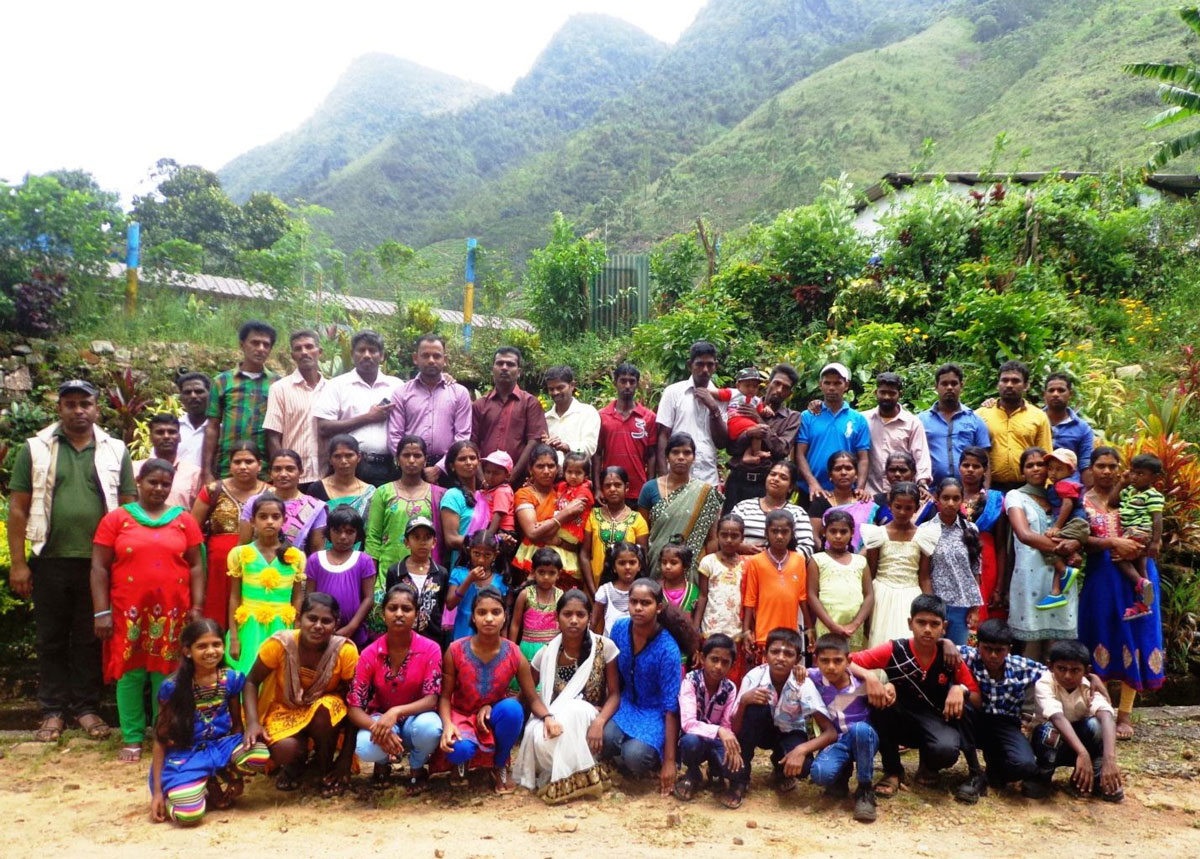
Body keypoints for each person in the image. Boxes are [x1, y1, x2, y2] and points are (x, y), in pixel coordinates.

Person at [7, 378, 135, 743]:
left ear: (97, 408)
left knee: (90, 637)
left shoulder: (116, 450)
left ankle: (86, 708)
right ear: (59, 408)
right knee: (50, 638)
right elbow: (17, 508)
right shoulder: (35, 449)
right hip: (49, 559)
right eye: (71, 404)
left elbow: (127, 507)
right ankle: (51, 711)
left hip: (99, 565)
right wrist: (19, 564)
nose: (79, 410)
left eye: (85, 403)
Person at [91, 458, 205, 761]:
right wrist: (100, 612)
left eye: (165, 484)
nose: (159, 488)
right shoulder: (116, 519)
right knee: (129, 674)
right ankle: (131, 737)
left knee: (166, 674)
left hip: (173, 611)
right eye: (152, 482)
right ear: (139, 482)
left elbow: (196, 565)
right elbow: (99, 567)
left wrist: (197, 606)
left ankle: (163, 733)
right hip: (128, 611)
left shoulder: (184, 520)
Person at [851, 594, 984, 803]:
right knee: (878, 701)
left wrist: (960, 689)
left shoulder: (949, 656)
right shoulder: (894, 650)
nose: (928, 629)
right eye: (921, 622)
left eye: (935, 624)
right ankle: (893, 771)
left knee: (946, 751)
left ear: (944, 627)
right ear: (910, 623)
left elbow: (976, 698)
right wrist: (870, 677)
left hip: (934, 720)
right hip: (899, 717)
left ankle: (929, 765)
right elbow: (848, 661)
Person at [1078, 446, 1165, 740]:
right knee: (1100, 634)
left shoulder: (1134, 494)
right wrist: (1114, 543)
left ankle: (1125, 714)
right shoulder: (1081, 501)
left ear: (1120, 469)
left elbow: (1154, 528)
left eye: (1112, 466)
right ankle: (1099, 709)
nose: (1106, 471)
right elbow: (1080, 540)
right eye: (1100, 465)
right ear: (1091, 468)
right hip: (1102, 574)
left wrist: (1141, 545)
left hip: (1138, 574)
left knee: (1137, 635)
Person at [148, 619, 269, 825]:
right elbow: (160, 740)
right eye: (202, 646)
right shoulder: (172, 687)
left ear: (224, 646)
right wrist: (157, 793)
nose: (211, 651)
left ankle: (213, 780)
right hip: (186, 753)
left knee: (259, 753)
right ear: (187, 651)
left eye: (216, 644)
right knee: (189, 816)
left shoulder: (231, 679)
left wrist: (235, 777)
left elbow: (237, 726)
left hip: (220, 747)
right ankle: (178, 795)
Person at [242, 593, 360, 796]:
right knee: (285, 750)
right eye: (312, 618)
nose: (318, 626)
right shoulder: (280, 644)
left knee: (326, 709)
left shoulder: (344, 651)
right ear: (299, 618)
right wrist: (253, 722)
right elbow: (251, 681)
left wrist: (346, 757)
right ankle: (297, 762)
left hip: (323, 716)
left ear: (336, 624)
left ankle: (323, 765)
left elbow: (356, 700)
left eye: (326, 621)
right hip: (286, 709)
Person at [439, 586, 551, 793]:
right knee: (459, 750)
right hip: (461, 714)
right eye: (482, 613)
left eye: (495, 612)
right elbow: (444, 697)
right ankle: (460, 763)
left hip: (493, 715)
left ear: (504, 617)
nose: (489, 618)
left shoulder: (514, 653)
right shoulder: (455, 650)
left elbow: (531, 697)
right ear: (473, 618)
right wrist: (447, 725)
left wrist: (548, 717)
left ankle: (500, 764)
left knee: (513, 710)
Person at [514, 589, 621, 804]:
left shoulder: (604, 647)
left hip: (590, 721)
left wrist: (600, 722)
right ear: (557, 618)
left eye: (580, 615)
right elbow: (528, 693)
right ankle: (581, 773)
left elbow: (615, 694)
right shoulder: (546, 653)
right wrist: (541, 718)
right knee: (541, 739)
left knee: (575, 707)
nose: (574, 621)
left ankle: (566, 783)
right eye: (567, 614)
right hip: (553, 721)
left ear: (589, 618)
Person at [602, 578, 695, 796]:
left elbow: (671, 707)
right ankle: (623, 754)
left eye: (645, 603)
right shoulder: (619, 628)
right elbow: (613, 676)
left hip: (655, 712)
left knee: (635, 756)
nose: (638, 608)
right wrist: (603, 712)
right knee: (604, 739)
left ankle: (651, 759)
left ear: (659, 607)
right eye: (633, 602)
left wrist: (670, 762)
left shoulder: (667, 649)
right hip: (626, 703)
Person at [347, 583, 444, 793]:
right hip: (380, 718)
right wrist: (380, 729)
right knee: (364, 746)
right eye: (393, 608)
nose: (399, 614)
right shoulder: (369, 653)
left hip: (416, 719)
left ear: (416, 614)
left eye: (406, 609)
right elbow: (354, 707)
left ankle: (417, 767)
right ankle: (382, 763)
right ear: (383, 614)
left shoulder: (431, 649)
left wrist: (396, 711)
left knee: (431, 729)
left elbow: (431, 699)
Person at [726, 627, 835, 809]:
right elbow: (736, 729)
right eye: (775, 651)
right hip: (761, 730)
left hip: (789, 732)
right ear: (765, 654)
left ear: (797, 659)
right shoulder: (754, 678)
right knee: (754, 708)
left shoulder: (802, 683)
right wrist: (744, 702)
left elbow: (830, 732)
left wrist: (801, 750)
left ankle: (781, 768)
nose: (781, 658)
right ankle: (740, 780)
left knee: (805, 767)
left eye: (788, 654)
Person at [1004, 447, 1082, 660]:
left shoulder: (1060, 494)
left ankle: (1055, 692)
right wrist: (1063, 547)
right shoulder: (1015, 496)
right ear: (1022, 472)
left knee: (1059, 649)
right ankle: (1030, 693)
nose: (1037, 469)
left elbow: (1081, 526)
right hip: (1030, 578)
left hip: (1063, 578)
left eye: (1041, 464)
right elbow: (1025, 534)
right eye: (1030, 465)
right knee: (1031, 646)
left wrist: (1076, 544)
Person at [957, 619, 1045, 797]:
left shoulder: (1021, 666)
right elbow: (938, 648)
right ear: (977, 645)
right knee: (963, 706)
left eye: (999, 650)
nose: (993, 655)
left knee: (1024, 765)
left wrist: (1091, 678)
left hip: (1006, 724)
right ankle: (975, 773)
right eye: (987, 649)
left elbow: (1054, 675)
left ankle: (996, 769)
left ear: (1009, 649)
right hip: (974, 720)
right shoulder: (967, 656)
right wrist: (946, 645)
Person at [1030, 639, 1124, 801]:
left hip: (1080, 744)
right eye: (1061, 669)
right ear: (1050, 666)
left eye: (1075, 670)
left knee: (1097, 725)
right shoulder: (1044, 684)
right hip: (1049, 746)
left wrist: (1110, 759)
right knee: (1050, 732)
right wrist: (1082, 753)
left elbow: (1107, 716)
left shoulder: (1090, 686)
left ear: (1086, 671)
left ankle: (1092, 778)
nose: (1067, 676)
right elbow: (1057, 717)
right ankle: (1043, 776)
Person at [225, 493, 305, 674]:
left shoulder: (295, 556)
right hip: (248, 628)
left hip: (282, 628)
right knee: (247, 674)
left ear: (284, 520)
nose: (269, 521)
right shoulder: (240, 554)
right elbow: (234, 597)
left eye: (275, 517)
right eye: (263, 517)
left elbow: (298, 597)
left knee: (277, 676)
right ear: (252, 521)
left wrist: (296, 633)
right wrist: (235, 637)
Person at [191, 442, 268, 629]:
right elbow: (192, 530)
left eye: (249, 461)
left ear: (260, 465)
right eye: (237, 461)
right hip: (217, 567)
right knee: (217, 615)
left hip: (256, 565)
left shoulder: (270, 492)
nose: (243, 466)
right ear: (230, 464)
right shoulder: (213, 490)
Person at [807, 634, 880, 822]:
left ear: (848, 661)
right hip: (837, 742)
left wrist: (887, 688)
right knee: (821, 774)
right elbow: (793, 672)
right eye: (825, 661)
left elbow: (885, 690)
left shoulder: (863, 683)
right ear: (816, 661)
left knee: (860, 730)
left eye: (838, 661)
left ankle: (865, 789)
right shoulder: (813, 679)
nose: (831, 666)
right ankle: (841, 777)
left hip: (864, 739)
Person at [313, 330, 402, 485]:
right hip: (349, 467)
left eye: (373, 350)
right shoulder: (337, 385)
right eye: (361, 350)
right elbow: (323, 428)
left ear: (381, 355)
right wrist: (368, 418)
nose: (367, 355)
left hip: (389, 467)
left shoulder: (396, 386)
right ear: (352, 354)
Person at [639, 431, 723, 581]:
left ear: (694, 458)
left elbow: (711, 539)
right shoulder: (649, 489)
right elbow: (643, 535)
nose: (681, 457)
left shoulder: (705, 492)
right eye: (675, 452)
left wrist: (708, 574)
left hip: (693, 569)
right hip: (657, 565)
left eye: (687, 453)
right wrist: (644, 566)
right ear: (667, 457)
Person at [202, 320, 278, 484]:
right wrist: (206, 471)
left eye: (266, 345)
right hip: (228, 466)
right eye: (255, 343)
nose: (260, 349)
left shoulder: (278, 384)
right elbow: (212, 428)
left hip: (264, 470)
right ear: (242, 344)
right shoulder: (222, 382)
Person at [365, 434, 445, 586]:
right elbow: (373, 537)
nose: (412, 460)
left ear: (425, 460)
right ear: (397, 459)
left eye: (417, 455)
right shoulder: (383, 492)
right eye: (406, 455)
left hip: (426, 574)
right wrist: (371, 578)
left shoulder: (439, 494)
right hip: (387, 572)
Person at [387, 333, 472, 474]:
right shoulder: (401, 393)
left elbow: (462, 436)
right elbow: (395, 436)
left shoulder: (459, 393)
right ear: (415, 358)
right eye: (425, 356)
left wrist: (440, 468)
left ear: (445, 360)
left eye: (437, 356)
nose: (431, 360)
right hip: (409, 469)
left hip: (448, 469)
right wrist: (412, 464)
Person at [862, 483, 935, 647]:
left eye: (908, 508)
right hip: (881, 594)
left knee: (907, 641)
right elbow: (871, 573)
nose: (902, 512)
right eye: (898, 507)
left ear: (916, 508)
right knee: (879, 643)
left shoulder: (923, 536)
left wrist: (930, 608)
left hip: (911, 594)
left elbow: (924, 577)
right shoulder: (877, 535)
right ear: (890, 506)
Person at [673, 634, 742, 802]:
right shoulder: (691, 681)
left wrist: (731, 746)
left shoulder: (730, 688)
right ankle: (693, 772)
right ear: (703, 658)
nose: (719, 666)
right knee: (690, 742)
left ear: (732, 666)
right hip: (695, 739)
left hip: (716, 740)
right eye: (714, 659)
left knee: (735, 768)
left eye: (725, 662)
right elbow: (688, 724)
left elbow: (726, 724)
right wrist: (719, 730)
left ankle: (716, 771)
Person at [723, 364, 801, 512]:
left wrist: (758, 419)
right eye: (776, 383)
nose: (779, 390)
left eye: (785, 388)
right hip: (738, 480)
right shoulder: (744, 404)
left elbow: (782, 449)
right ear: (768, 384)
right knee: (729, 529)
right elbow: (730, 447)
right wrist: (748, 434)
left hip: (767, 486)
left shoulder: (792, 417)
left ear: (789, 393)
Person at [471, 346, 548, 487]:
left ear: (518, 372)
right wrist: (482, 479)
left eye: (510, 364)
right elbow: (473, 444)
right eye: (500, 363)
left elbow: (535, 441)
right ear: (492, 369)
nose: (504, 368)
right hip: (483, 483)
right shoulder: (480, 405)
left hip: (519, 483)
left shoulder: (530, 403)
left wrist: (512, 475)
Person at [918, 478, 983, 645]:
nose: (950, 503)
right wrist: (930, 608)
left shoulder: (970, 529)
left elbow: (975, 571)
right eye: (945, 498)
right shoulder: (926, 530)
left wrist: (975, 608)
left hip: (962, 607)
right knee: (934, 653)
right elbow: (923, 574)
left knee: (957, 655)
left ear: (962, 500)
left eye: (956, 498)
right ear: (937, 499)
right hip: (937, 605)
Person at [794, 362, 870, 503]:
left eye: (837, 383)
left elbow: (863, 458)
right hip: (811, 492)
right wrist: (812, 484)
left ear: (846, 385)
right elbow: (800, 454)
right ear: (820, 384)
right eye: (827, 383)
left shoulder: (858, 420)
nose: (832, 388)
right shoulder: (808, 416)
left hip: (846, 493)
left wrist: (859, 487)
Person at [655, 341, 728, 486]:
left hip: (708, 478)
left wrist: (713, 408)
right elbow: (663, 435)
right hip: (675, 478)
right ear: (690, 365)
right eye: (700, 364)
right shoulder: (673, 392)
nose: (705, 369)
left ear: (716, 366)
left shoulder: (722, 399)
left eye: (710, 364)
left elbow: (722, 443)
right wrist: (663, 477)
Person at [742, 510, 812, 660]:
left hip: (790, 633)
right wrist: (746, 630)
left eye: (784, 532)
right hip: (764, 634)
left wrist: (809, 628)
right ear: (766, 532)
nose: (779, 536)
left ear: (792, 533)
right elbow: (750, 599)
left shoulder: (798, 560)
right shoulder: (756, 561)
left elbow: (802, 598)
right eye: (774, 531)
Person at [513, 444, 586, 586]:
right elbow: (533, 533)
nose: (546, 471)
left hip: (564, 568)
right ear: (530, 469)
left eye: (551, 466)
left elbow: (575, 539)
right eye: (540, 466)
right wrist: (564, 514)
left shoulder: (565, 493)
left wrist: (558, 542)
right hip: (534, 564)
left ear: (558, 469)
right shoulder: (525, 494)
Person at [302, 507, 375, 648]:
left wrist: (351, 627)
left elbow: (368, 598)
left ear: (358, 534)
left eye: (349, 532)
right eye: (337, 531)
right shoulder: (315, 560)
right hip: (320, 632)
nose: (343, 537)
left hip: (354, 635)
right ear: (329, 532)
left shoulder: (363, 560)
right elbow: (309, 597)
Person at [262, 329, 327, 486]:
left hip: (326, 477)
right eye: (298, 349)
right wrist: (283, 471)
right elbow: (272, 436)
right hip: (294, 479)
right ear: (293, 356)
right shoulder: (280, 389)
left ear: (320, 352)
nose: (304, 352)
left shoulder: (333, 389)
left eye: (309, 347)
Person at [977, 360, 1052, 491]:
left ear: (1026, 386)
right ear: (997, 384)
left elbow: (1046, 455)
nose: (1009, 385)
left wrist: (1046, 489)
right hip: (991, 488)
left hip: (1028, 488)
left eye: (1015, 381)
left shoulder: (1038, 416)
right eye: (1004, 380)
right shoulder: (981, 414)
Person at [237, 450, 327, 556]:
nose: (283, 474)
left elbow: (317, 552)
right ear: (270, 473)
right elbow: (243, 545)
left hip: (295, 569)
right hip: (256, 568)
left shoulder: (314, 506)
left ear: (301, 472)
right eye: (277, 469)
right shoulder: (254, 502)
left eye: (290, 469)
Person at [806, 510, 873, 651]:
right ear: (824, 531)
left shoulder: (860, 561)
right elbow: (812, 595)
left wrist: (855, 624)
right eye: (833, 531)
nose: (838, 536)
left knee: (853, 664)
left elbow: (869, 595)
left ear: (852, 533)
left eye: (843, 532)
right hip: (827, 626)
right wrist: (832, 626)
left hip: (854, 629)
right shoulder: (817, 560)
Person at [956, 446, 1008, 622]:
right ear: (959, 468)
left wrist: (1000, 587)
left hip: (986, 559)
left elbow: (1001, 545)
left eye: (976, 466)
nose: (970, 470)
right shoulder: (949, 496)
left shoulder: (995, 500)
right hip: (955, 561)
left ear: (985, 470)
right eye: (966, 465)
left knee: (983, 608)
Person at [1035, 448, 1091, 611]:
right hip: (1075, 525)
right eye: (1050, 468)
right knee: (1059, 550)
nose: (1053, 473)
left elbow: (1067, 504)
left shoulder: (1065, 484)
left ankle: (1064, 570)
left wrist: (1057, 526)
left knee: (1046, 543)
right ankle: (1056, 592)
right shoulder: (1059, 485)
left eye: (1059, 469)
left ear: (1070, 470)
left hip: (1075, 524)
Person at [580, 466, 649, 595]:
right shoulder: (592, 515)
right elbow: (584, 554)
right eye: (607, 486)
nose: (612, 489)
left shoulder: (637, 520)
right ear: (602, 488)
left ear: (626, 487)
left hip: (626, 592)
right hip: (594, 586)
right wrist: (593, 591)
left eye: (617, 485)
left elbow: (642, 559)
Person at [595, 363, 658, 504]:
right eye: (623, 381)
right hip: (609, 489)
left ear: (637, 384)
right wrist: (598, 488)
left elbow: (652, 456)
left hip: (639, 491)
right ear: (615, 383)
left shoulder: (648, 417)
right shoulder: (601, 416)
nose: (627, 386)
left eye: (632, 381)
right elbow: (597, 454)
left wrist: (650, 487)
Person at [919, 363, 991, 484]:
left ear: (961, 386)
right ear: (936, 386)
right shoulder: (921, 421)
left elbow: (985, 460)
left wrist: (984, 492)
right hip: (931, 492)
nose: (949, 387)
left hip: (967, 492)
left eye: (954, 383)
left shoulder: (975, 420)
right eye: (944, 384)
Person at [862, 372, 932, 495]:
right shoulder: (864, 420)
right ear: (875, 393)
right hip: (869, 495)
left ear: (900, 394)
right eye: (883, 392)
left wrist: (922, 483)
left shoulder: (912, 423)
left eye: (892, 393)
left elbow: (921, 456)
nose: (887, 397)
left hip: (903, 495)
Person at [383, 517, 451, 643]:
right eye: (416, 537)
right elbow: (390, 604)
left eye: (427, 537)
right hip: (401, 639)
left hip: (433, 639)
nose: (422, 542)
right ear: (406, 542)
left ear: (434, 542)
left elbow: (440, 605)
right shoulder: (395, 571)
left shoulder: (441, 573)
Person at [1115, 453, 1165, 620]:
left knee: (1118, 556)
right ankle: (1143, 602)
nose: (1135, 477)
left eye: (1141, 473)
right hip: (1130, 532)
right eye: (1133, 472)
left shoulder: (1153, 495)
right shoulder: (1129, 490)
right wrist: (1122, 483)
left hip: (1139, 531)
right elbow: (1112, 502)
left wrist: (1155, 542)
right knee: (1141, 564)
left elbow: (1157, 519)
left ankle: (1140, 583)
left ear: (1155, 477)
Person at [730, 459, 813, 555]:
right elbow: (727, 536)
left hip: (782, 567)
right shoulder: (743, 507)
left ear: (791, 487)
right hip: (742, 564)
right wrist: (740, 547)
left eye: (783, 477)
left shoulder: (798, 513)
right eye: (773, 474)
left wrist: (777, 556)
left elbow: (807, 548)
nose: (776, 479)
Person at [696, 515, 749, 664]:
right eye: (724, 535)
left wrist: (748, 630)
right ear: (717, 536)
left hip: (736, 631)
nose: (729, 540)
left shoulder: (747, 565)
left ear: (742, 538)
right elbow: (703, 595)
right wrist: (696, 626)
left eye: (734, 536)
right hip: (711, 629)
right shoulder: (708, 562)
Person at [306, 435, 377, 543]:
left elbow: (372, 531)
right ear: (330, 459)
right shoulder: (316, 489)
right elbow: (310, 528)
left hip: (359, 556)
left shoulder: (370, 493)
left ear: (359, 457)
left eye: (349, 455)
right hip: (323, 556)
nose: (343, 461)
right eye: (337, 456)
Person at [808, 451, 879, 551]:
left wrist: (857, 559)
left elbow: (872, 538)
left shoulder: (864, 502)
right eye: (838, 469)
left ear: (856, 474)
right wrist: (830, 557)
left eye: (848, 468)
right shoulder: (820, 502)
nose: (843, 473)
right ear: (830, 475)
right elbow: (814, 536)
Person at [445, 531, 508, 642]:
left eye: (487, 555)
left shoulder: (499, 580)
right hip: (463, 631)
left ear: (495, 555)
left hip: (490, 631)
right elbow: (450, 604)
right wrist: (469, 580)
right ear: (469, 551)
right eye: (476, 553)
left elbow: (504, 612)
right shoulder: (459, 574)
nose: (481, 560)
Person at [134, 413, 202, 509]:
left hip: (180, 523)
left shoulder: (194, 473)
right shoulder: (134, 469)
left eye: (171, 432)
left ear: (179, 437)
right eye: (160, 432)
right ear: (150, 438)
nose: (166, 436)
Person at [440, 439, 489, 570]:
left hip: (487, 566)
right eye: (462, 459)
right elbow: (451, 540)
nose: (469, 463)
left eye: (472, 458)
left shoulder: (483, 496)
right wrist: (487, 542)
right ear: (452, 466)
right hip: (462, 566)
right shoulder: (453, 495)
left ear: (478, 462)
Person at [510, 548, 565, 662]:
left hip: (552, 648)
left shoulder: (561, 596)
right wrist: (512, 649)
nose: (546, 577)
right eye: (541, 572)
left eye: (551, 573)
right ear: (533, 572)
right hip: (528, 649)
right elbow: (515, 624)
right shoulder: (525, 594)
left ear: (559, 574)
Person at [713, 367, 771, 466]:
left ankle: (748, 455)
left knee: (756, 432)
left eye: (755, 386)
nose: (751, 389)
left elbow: (760, 411)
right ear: (738, 385)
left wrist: (766, 410)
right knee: (758, 430)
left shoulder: (757, 400)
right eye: (747, 385)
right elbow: (718, 394)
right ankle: (756, 452)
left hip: (747, 427)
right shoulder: (733, 393)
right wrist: (705, 390)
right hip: (735, 423)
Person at [1043, 372, 1094, 484]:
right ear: (1044, 394)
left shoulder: (1082, 428)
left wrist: (1088, 493)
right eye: (1051, 390)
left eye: (1061, 390)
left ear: (1070, 394)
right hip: (1038, 484)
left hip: (1069, 488)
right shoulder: (1034, 421)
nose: (1056, 394)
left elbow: (1085, 464)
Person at [543, 365, 601, 464]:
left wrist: (568, 447)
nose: (555, 392)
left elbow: (590, 448)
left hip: (577, 476)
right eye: (551, 389)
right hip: (550, 476)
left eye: (560, 387)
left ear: (572, 385)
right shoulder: (546, 418)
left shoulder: (587, 413)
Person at [553, 451, 595, 565]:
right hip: (560, 526)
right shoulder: (562, 486)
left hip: (573, 531)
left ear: (585, 475)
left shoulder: (584, 491)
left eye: (578, 473)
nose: (573, 476)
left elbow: (573, 510)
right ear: (564, 472)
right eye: (569, 472)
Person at [592, 542, 643, 635]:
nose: (627, 567)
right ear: (614, 567)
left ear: (639, 566)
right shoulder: (605, 591)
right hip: (610, 647)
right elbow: (593, 621)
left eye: (632, 563)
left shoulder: (645, 590)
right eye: (622, 563)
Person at [479, 450, 517, 554]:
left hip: (502, 530)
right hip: (492, 528)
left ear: (507, 475)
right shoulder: (491, 489)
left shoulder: (502, 491)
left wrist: (487, 538)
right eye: (488, 472)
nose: (490, 476)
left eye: (496, 473)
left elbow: (498, 515)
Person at [175, 372, 211, 468]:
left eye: (199, 391)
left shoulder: (220, 428)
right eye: (187, 392)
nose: (193, 396)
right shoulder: (173, 428)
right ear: (181, 398)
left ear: (210, 395)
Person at [659, 541, 700, 622]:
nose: (667, 566)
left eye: (673, 563)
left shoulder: (694, 591)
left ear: (685, 566)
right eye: (664, 562)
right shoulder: (655, 588)